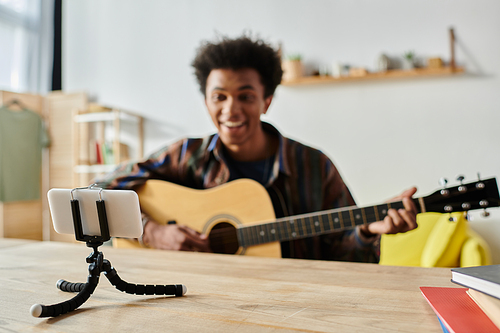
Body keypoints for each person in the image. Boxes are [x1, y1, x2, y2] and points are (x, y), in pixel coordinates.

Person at [94, 35, 417, 262]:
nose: (231, 110)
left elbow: (350, 261)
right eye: (219, 96)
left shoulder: (314, 166)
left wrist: (367, 230)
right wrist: (151, 232)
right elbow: (100, 190)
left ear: (267, 101)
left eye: (245, 96)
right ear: (206, 101)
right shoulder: (186, 156)